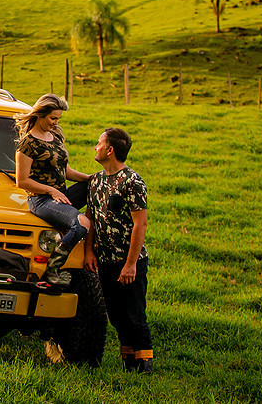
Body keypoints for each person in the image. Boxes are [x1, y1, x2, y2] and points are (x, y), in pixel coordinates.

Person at [84, 127, 154, 375]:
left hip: (129, 261)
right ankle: (129, 364)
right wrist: (89, 251)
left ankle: (145, 365)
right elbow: (90, 218)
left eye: (99, 143)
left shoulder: (132, 182)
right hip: (103, 260)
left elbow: (140, 223)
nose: (96, 147)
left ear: (110, 150)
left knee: (134, 315)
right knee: (116, 316)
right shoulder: (96, 181)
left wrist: (131, 264)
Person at [13, 94, 92, 286]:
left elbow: (64, 171)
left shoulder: (55, 136)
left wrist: (90, 179)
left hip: (59, 195)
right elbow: (21, 181)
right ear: (40, 115)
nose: (55, 123)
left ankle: (95, 246)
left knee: (95, 186)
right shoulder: (28, 143)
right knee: (82, 223)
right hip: (40, 200)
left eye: (58, 119)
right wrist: (50, 190)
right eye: (52, 118)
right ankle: (53, 269)